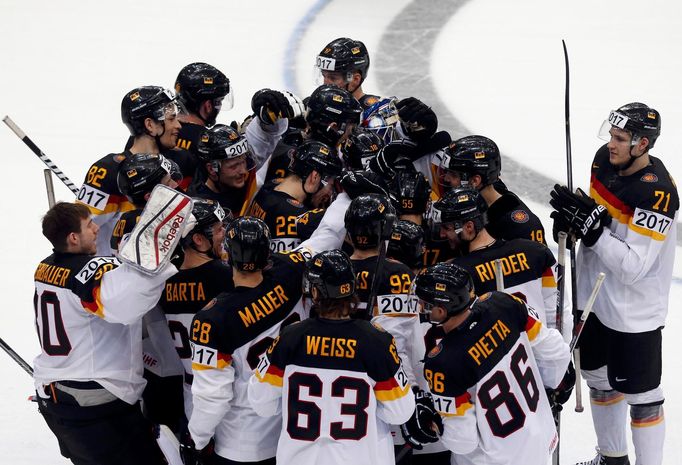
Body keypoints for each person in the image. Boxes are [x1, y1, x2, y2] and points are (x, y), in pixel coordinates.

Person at [550, 102, 678, 465]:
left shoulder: (657, 194)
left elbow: (633, 267)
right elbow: (599, 217)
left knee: (642, 395)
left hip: (633, 312)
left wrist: (592, 230)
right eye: (611, 135)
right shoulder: (602, 162)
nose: (611, 144)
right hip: (593, 298)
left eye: (620, 139)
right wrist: (574, 225)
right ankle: (612, 458)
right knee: (599, 380)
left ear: (642, 144)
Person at [33, 200, 184, 465]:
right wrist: (160, 256)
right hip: (94, 401)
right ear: (72, 237)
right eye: (89, 225)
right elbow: (126, 305)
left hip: (57, 395)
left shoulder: (44, 268)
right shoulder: (85, 273)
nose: (96, 229)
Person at [247, 249, 416, 465]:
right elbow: (400, 413)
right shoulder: (376, 341)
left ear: (315, 292)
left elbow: (262, 404)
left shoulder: (290, 337)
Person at [187, 217, 327, 464]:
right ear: (267, 253)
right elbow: (326, 236)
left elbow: (213, 398)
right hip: (300, 427)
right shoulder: (291, 269)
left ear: (227, 256)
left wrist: (196, 440)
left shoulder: (212, 320)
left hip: (245, 440)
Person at [405, 263, 571, 465]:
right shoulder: (504, 303)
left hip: (496, 460)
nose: (421, 307)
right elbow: (557, 352)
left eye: (425, 303)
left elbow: (462, 441)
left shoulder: (443, 362)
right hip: (540, 442)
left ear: (441, 310)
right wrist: (549, 386)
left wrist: (435, 424)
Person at [431, 187, 564, 333]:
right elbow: (558, 312)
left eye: (446, 227)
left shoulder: (459, 274)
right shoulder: (535, 251)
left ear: (469, 227)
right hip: (546, 348)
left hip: (503, 354)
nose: (442, 234)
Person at [78, 86, 182, 256]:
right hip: (116, 277)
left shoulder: (176, 164)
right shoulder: (107, 171)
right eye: (171, 119)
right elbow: (78, 231)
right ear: (150, 125)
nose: (178, 125)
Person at [437, 135, 546, 244]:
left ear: (475, 181)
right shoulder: (468, 201)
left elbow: (539, 258)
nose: (446, 178)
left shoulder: (521, 227)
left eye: (453, 174)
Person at [248, 140, 343, 252]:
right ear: (315, 177)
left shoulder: (270, 185)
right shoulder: (296, 217)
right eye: (331, 185)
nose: (330, 193)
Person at [110, 153, 177, 252]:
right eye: (168, 183)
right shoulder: (145, 223)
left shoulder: (129, 218)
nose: (174, 185)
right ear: (150, 196)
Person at [174, 62, 233, 154]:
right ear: (208, 106)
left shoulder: (162, 132)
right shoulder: (209, 143)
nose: (220, 105)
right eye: (219, 101)